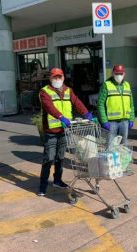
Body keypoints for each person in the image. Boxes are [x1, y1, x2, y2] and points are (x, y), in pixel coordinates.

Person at [38, 68, 93, 196]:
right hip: (51, 131)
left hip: (64, 130)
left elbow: (76, 102)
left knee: (60, 157)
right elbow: (48, 106)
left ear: (63, 77)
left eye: (59, 77)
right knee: (49, 158)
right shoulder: (44, 91)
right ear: (50, 78)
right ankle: (42, 185)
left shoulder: (68, 90)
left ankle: (57, 180)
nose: (57, 79)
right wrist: (60, 117)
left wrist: (86, 113)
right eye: (54, 77)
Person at [97, 64, 135, 145]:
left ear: (124, 74)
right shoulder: (106, 85)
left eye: (121, 74)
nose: (119, 75)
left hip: (124, 122)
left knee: (123, 146)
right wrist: (104, 121)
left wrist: (131, 119)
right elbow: (100, 104)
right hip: (111, 122)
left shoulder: (127, 85)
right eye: (117, 73)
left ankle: (121, 158)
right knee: (110, 146)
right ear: (112, 73)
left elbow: (131, 104)